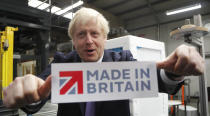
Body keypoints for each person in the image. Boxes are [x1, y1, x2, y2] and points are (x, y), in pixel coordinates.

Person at [3, 7, 204, 116]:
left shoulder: (123, 60)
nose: (89, 41)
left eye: (94, 34)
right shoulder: (62, 63)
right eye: (81, 34)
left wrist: (175, 70)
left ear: (105, 38)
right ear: (73, 41)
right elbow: (39, 93)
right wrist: (32, 94)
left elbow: (160, 80)